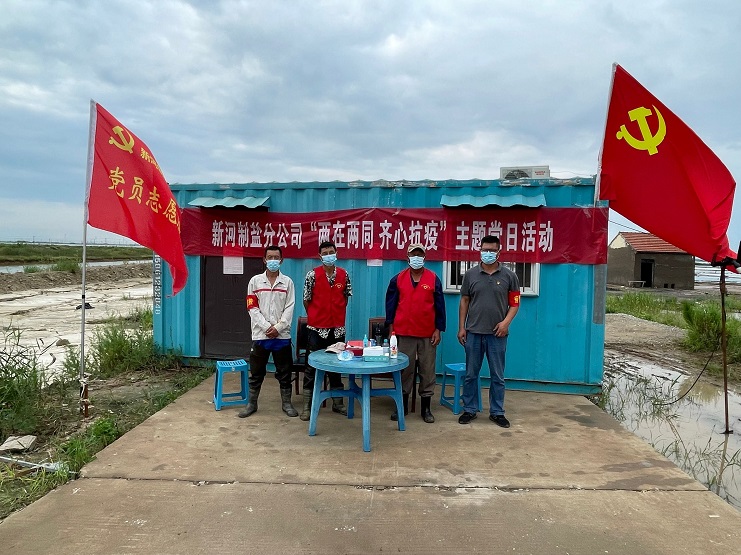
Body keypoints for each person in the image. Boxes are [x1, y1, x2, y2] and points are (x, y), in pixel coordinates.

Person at [457, 235, 520, 427]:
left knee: (497, 376)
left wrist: (506, 323)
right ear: (480, 250)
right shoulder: (470, 275)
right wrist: (462, 327)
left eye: (492, 250)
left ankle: (497, 412)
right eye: (485, 250)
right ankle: (469, 409)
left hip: (497, 335)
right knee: (471, 374)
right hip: (473, 332)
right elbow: (464, 301)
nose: (488, 253)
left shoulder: (510, 276)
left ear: (499, 252)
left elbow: (515, 303)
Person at [385, 243, 446, 423]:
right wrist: (391, 330)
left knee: (427, 370)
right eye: (413, 254)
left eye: (420, 255)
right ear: (408, 257)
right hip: (404, 333)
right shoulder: (397, 279)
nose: (416, 258)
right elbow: (391, 307)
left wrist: (438, 329)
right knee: (405, 370)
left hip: (427, 334)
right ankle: (402, 406)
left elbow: (440, 307)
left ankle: (426, 409)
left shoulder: (433, 279)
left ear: (425, 258)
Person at [238, 245, 298, 418]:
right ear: (264, 260)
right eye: (270, 257)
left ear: (281, 260)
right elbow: (252, 307)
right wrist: (266, 327)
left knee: (284, 372)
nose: (273, 260)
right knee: (256, 372)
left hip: (282, 336)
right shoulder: (255, 281)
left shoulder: (287, 282)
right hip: (261, 335)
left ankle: (287, 403)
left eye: (276, 257)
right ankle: (252, 404)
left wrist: (278, 327)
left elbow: (290, 308)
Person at [300, 240, 352, 421]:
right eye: (325, 253)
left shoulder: (344, 275)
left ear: (336, 253)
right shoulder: (312, 275)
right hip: (316, 328)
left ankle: (338, 403)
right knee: (311, 366)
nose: (329, 255)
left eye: (331, 252)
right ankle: (307, 406)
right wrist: (316, 316)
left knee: (337, 365)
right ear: (320, 256)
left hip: (337, 329)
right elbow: (306, 300)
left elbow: (345, 299)